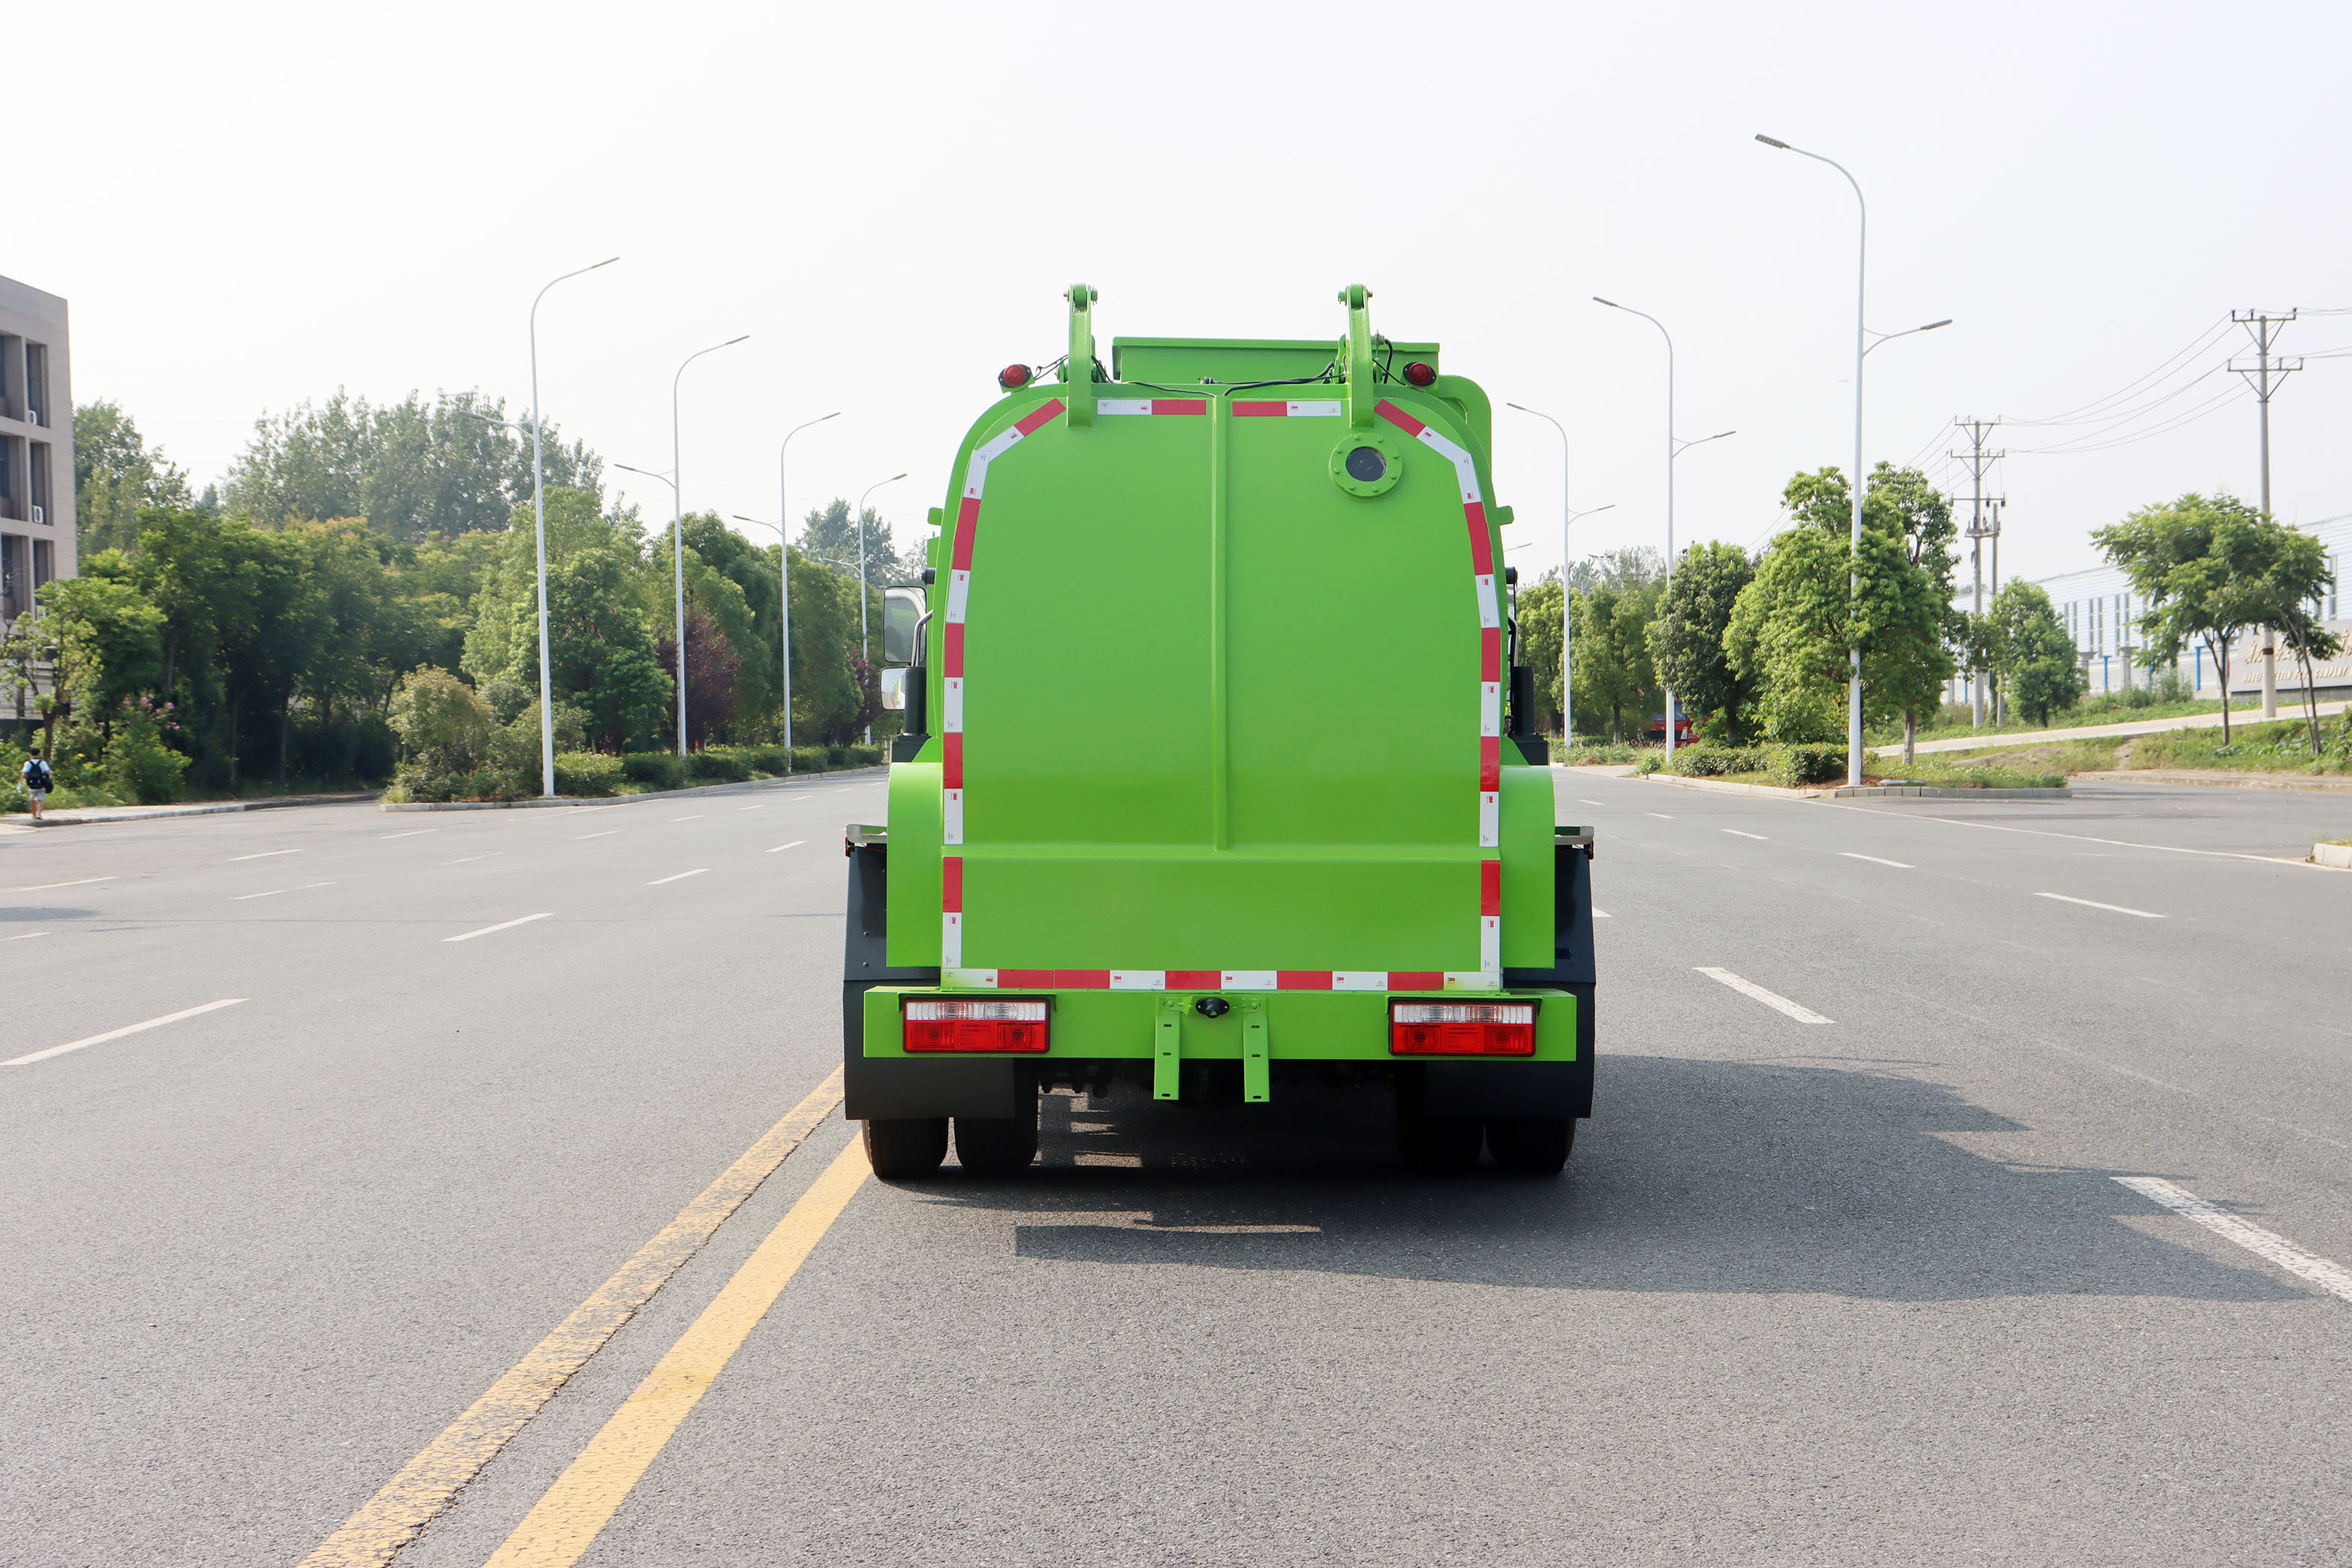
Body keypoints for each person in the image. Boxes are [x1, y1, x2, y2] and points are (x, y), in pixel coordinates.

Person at [21, 747, 52, 822]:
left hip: (32, 784)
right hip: (41, 783)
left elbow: (24, 773)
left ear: (31, 754)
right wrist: (49, 779)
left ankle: (34, 815)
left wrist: (20, 782)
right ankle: (39, 814)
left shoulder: (28, 763)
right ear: (38, 754)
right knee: (41, 800)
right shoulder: (42, 763)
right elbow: (48, 772)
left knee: (32, 800)